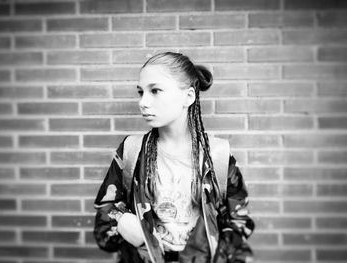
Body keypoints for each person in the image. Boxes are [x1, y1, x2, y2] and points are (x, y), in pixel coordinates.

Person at [93, 52, 255, 263]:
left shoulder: (217, 155)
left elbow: (239, 220)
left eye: (155, 90)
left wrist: (211, 253)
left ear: (188, 96)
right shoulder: (132, 151)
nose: (143, 102)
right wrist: (122, 221)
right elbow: (105, 216)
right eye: (141, 92)